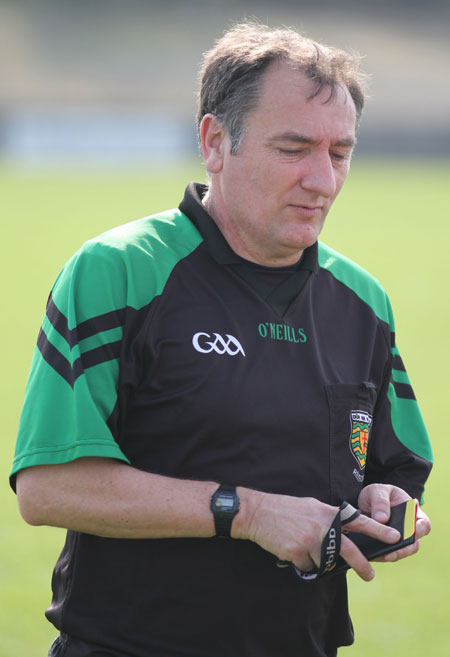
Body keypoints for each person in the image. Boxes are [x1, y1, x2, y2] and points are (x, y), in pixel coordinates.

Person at [11, 21, 432, 657]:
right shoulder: (118, 272)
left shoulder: (363, 302)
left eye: (339, 152)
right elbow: (49, 488)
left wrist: (385, 504)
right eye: (293, 149)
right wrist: (250, 513)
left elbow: (389, 473)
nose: (323, 181)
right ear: (215, 141)